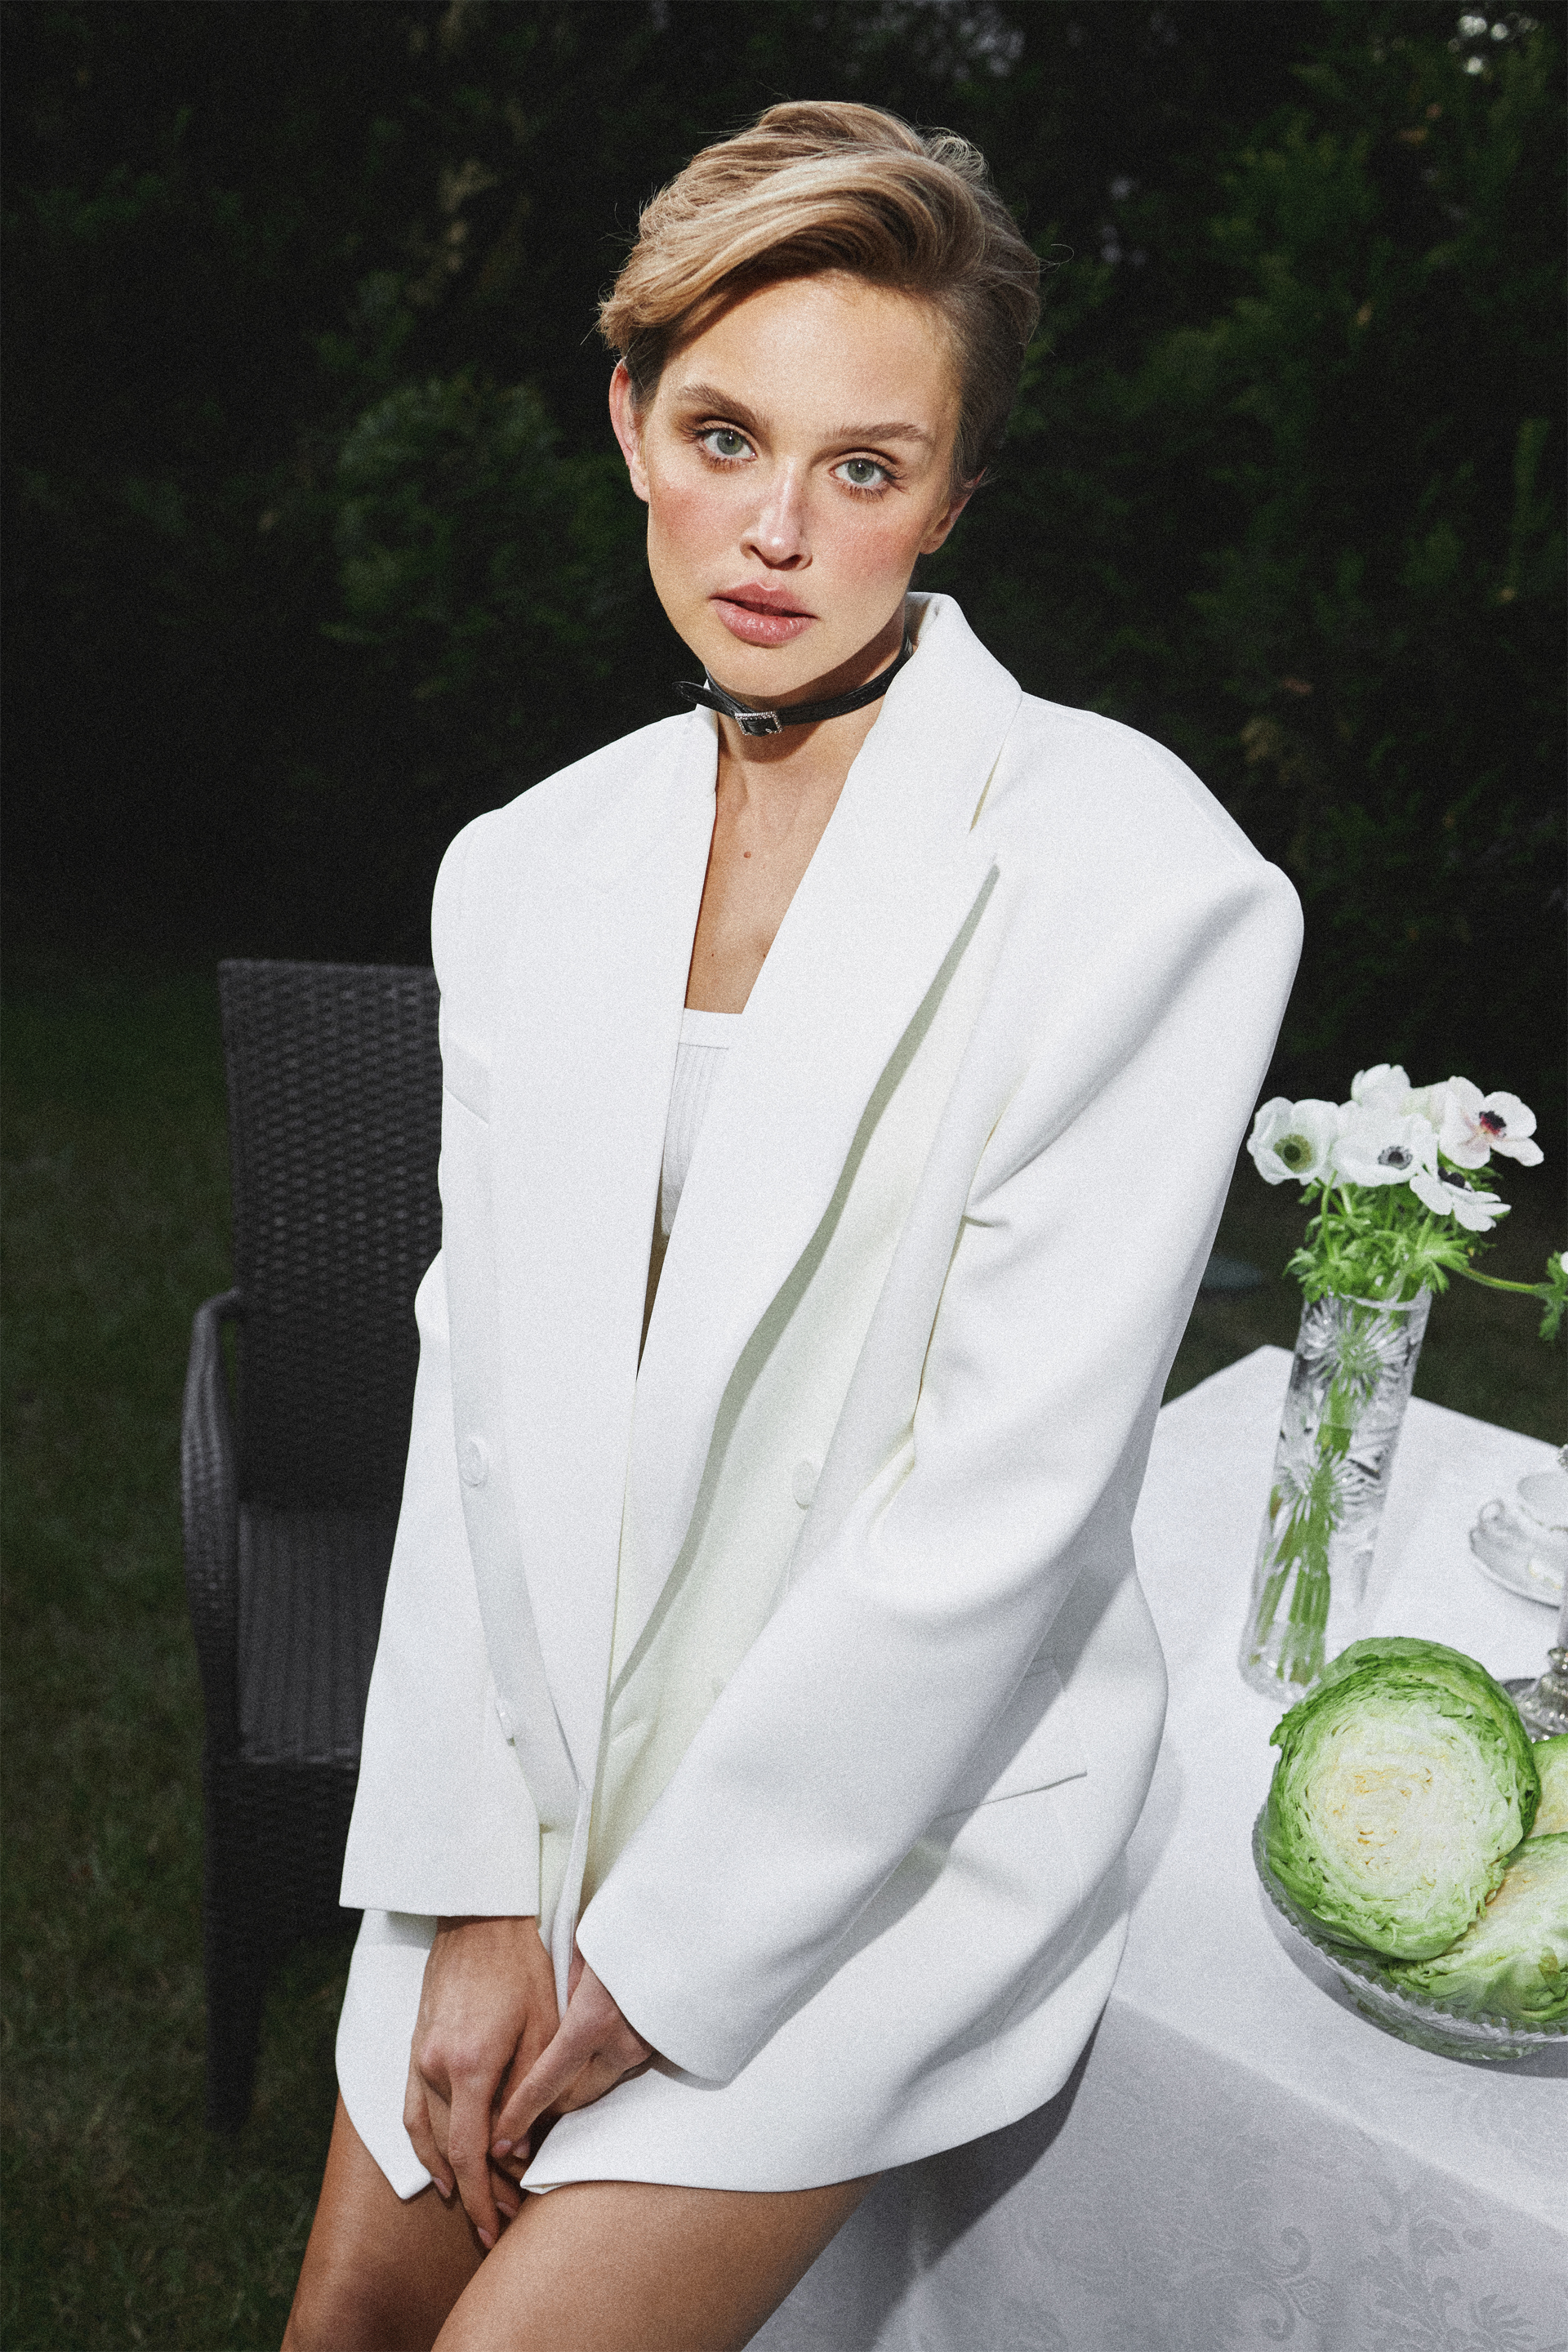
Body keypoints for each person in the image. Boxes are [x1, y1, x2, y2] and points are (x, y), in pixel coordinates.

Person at [284, 100, 1300, 2352]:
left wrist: (666, 1956)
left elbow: (1008, 1504)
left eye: (865, 466)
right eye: (727, 435)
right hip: (533, 1767)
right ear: (631, 421)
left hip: (888, 1820)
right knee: (349, 2314)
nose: (775, 530)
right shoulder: (524, 866)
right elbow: (479, 1393)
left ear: (953, 498)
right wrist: (475, 1881)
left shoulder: (1146, 882)